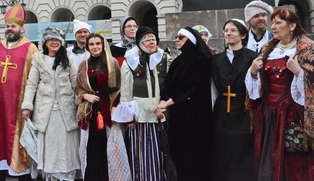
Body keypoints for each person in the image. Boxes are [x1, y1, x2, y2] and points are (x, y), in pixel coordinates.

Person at [245, 8, 314, 180]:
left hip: (294, 112)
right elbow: (257, 89)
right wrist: (253, 72)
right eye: (273, 23)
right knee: (269, 159)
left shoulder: (310, 49)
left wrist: (299, 73)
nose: (273, 27)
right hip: (268, 114)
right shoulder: (268, 49)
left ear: (292, 25)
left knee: (294, 159)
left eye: (278, 23)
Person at [0, 3, 39, 181]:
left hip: (19, 105)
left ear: (21, 28)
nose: (9, 29)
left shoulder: (30, 48)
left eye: (13, 26)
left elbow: (35, 78)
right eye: (7, 25)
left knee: (18, 140)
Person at [21, 26, 79, 180]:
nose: (54, 42)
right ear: (45, 42)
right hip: (45, 110)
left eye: (57, 40)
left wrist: (79, 102)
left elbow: (75, 81)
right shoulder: (38, 59)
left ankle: (66, 175)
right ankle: (51, 175)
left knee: (65, 145)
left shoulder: (68, 57)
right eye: (51, 40)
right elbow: (31, 84)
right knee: (50, 145)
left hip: (66, 110)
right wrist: (27, 106)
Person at [155, 27, 212, 181]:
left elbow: (192, 87)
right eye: (177, 37)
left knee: (195, 156)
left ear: (191, 41)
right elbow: (167, 84)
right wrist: (163, 100)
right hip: (178, 116)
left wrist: (167, 103)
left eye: (181, 37)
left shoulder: (201, 60)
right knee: (179, 154)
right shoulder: (178, 61)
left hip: (196, 117)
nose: (177, 40)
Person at [114, 26, 169, 181]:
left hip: (159, 111)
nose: (151, 42)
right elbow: (125, 91)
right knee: (140, 151)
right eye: (146, 40)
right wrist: (129, 117)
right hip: (139, 114)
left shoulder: (164, 59)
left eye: (153, 39)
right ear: (139, 43)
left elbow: (170, 85)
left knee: (159, 151)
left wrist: (165, 104)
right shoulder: (131, 62)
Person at [76, 33, 130, 181]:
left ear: (103, 44)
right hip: (90, 111)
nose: (95, 47)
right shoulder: (84, 65)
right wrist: (86, 96)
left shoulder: (112, 63)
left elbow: (120, 87)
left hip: (109, 110)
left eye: (98, 44)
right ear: (87, 46)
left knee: (111, 149)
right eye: (92, 44)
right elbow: (77, 87)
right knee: (92, 148)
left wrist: (115, 106)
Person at [210, 19, 257, 181]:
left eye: (233, 30)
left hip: (243, 109)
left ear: (243, 35)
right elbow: (213, 89)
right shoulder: (216, 60)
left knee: (242, 147)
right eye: (226, 30)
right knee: (223, 148)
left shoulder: (253, 57)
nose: (228, 33)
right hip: (222, 110)